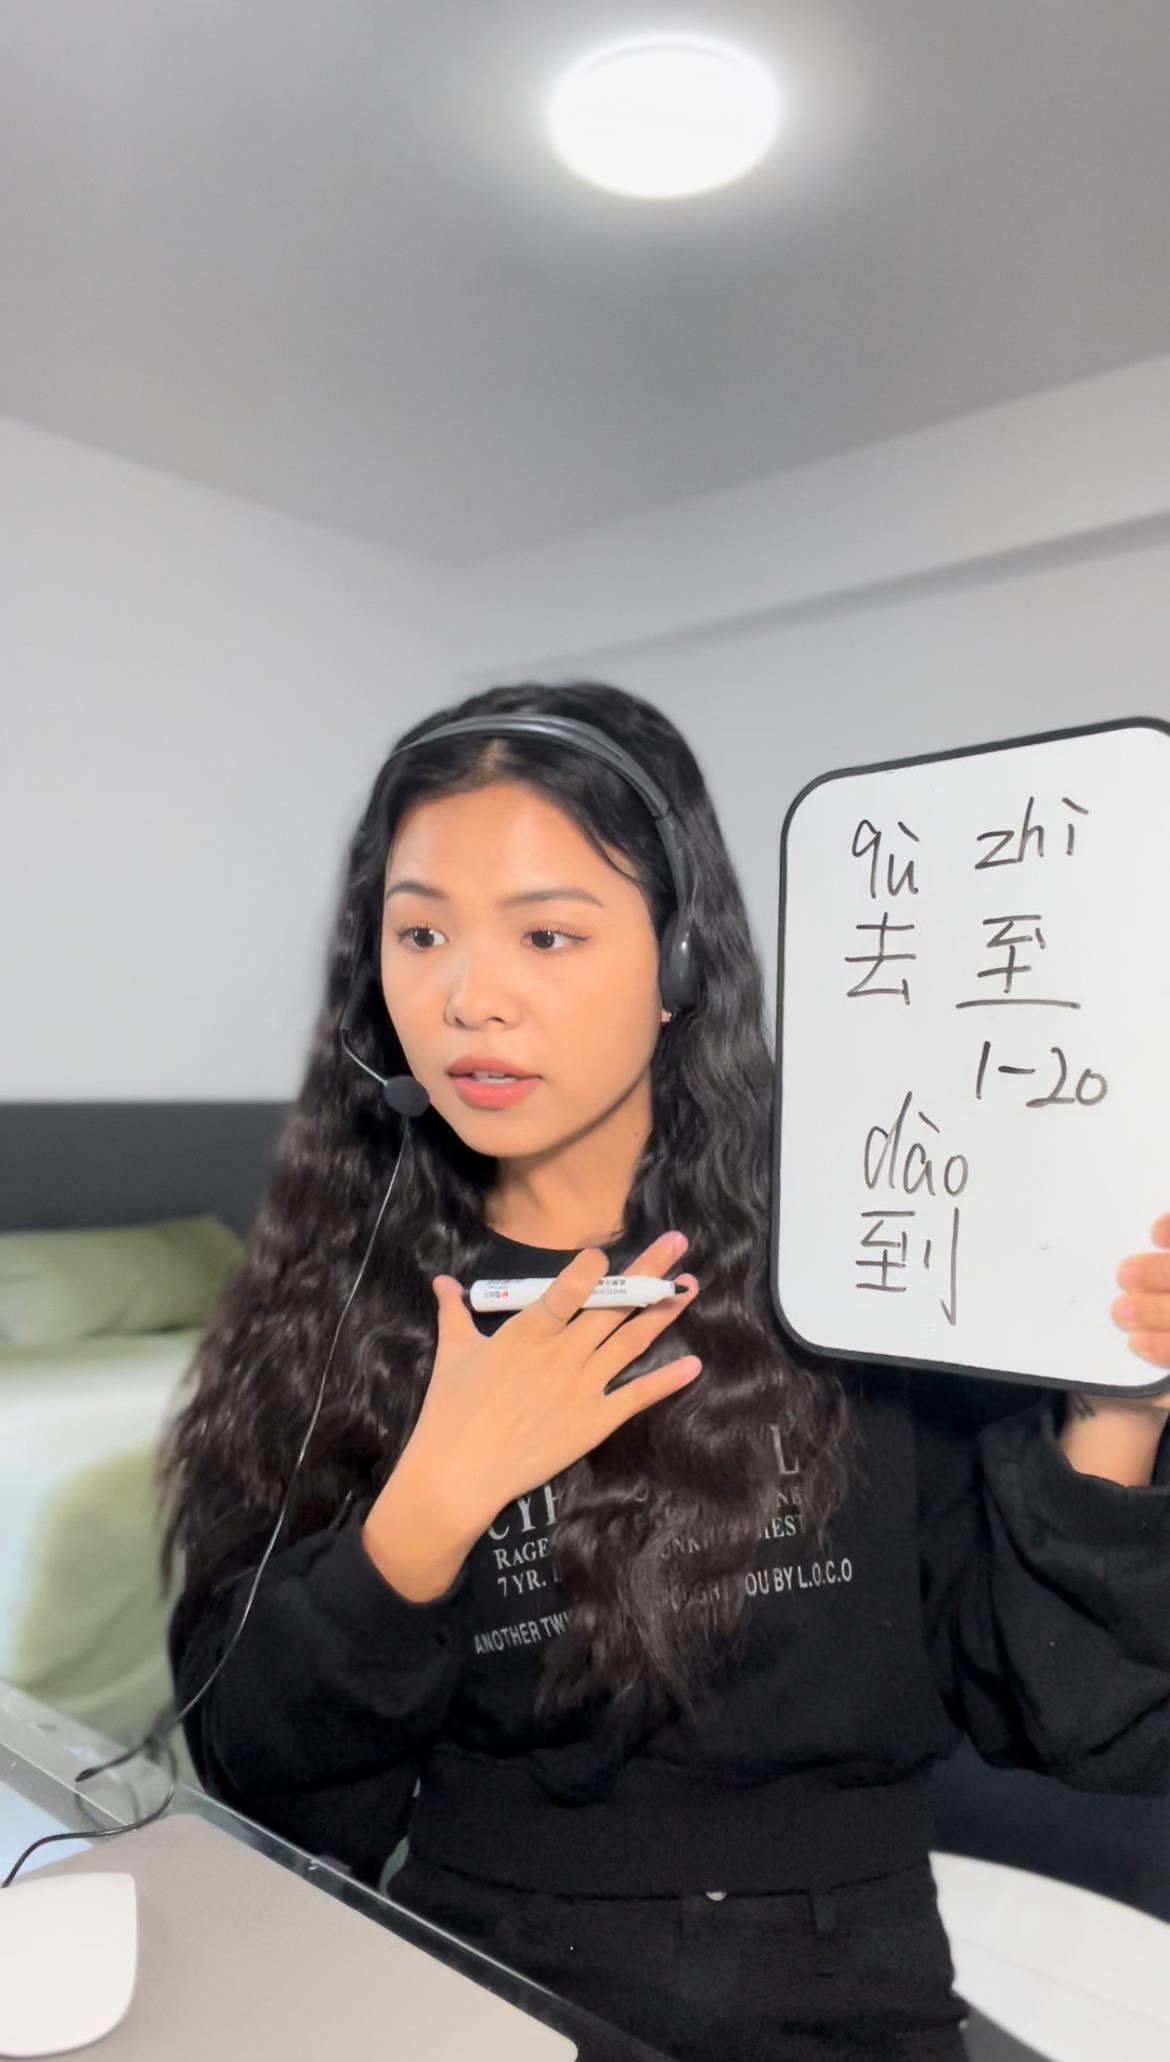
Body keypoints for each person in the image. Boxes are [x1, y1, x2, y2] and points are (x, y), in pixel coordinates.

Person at [160, 680, 1170, 2062]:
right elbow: (270, 1783)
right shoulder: (338, 1303)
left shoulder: (862, 1268)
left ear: (678, 960)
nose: (468, 998)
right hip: (480, 1975)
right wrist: (429, 1508)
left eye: (548, 932)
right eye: (420, 932)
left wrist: (1116, 1409)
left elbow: (1069, 1719)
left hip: (852, 1986)